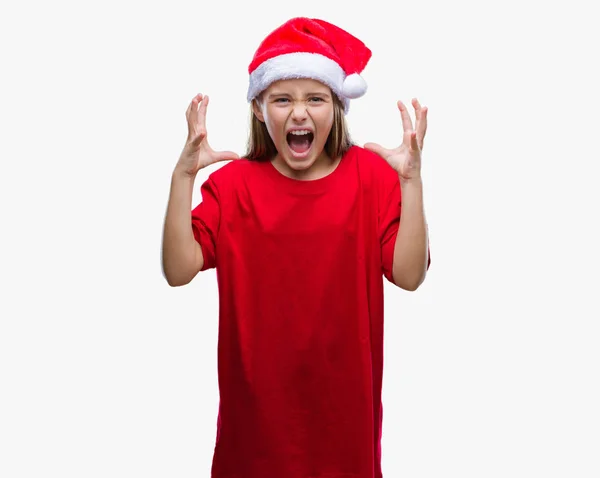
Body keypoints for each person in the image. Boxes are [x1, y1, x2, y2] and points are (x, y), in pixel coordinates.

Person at [162, 16, 431, 478]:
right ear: (260, 110)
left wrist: (411, 182)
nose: (299, 113)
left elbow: (408, 276)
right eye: (282, 99)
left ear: (338, 108)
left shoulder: (371, 177)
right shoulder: (233, 186)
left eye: (316, 98)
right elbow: (178, 268)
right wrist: (182, 176)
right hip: (255, 435)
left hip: (344, 429)